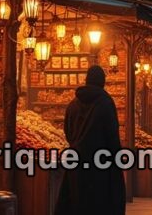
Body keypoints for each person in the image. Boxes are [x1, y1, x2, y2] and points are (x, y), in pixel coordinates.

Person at [56, 66, 125, 215]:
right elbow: (111, 134)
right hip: (100, 165)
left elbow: (68, 132)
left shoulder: (73, 104)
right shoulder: (105, 102)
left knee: (77, 203)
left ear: (86, 80)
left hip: (76, 163)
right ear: (102, 82)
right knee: (98, 204)